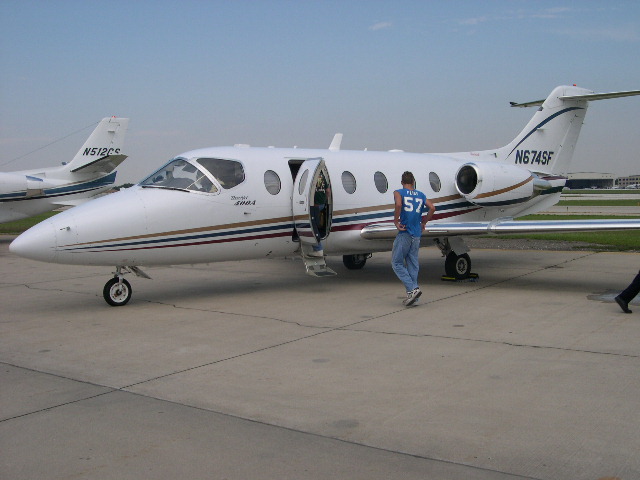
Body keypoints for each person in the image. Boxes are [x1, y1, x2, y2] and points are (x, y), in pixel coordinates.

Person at [391, 171, 435, 306]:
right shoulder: (420, 195)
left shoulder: (398, 192)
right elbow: (432, 208)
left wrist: (396, 220)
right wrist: (424, 222)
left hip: (405, 232)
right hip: (416, 234)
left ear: (402, 182)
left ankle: (412, 289)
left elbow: (398, 205)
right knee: (412, 264)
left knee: (396, 263)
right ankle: (413, 296)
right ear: (413, 182)